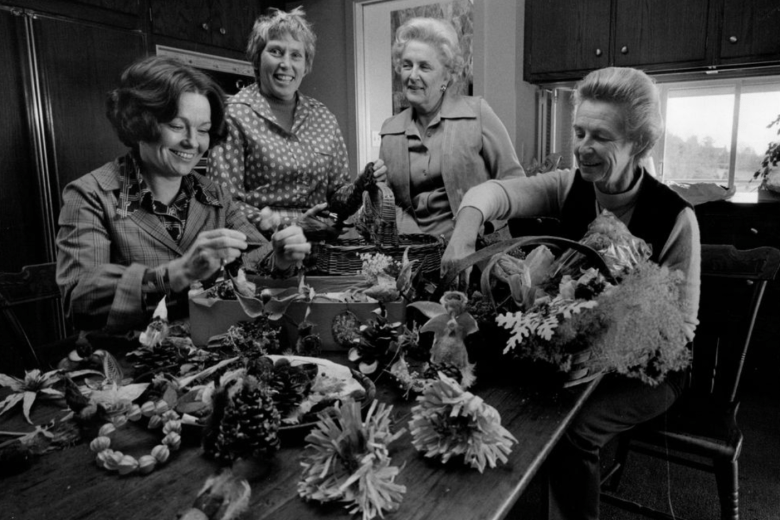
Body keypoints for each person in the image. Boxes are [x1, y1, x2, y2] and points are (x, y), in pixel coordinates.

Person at [441, 67, 701, 520]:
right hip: (575, 353)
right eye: (579, 131)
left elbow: (681, 328)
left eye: (600, 136)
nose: (582, 146)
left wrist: (607, 334)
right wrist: (464, 233)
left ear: (638, 143)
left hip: (652, 369)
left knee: (573, 430)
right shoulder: (569, 186)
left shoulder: (676, 218)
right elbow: (493, 192)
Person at [56, 56, 310, 333]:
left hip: (208, 348)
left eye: (203, 130)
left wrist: (279, 257)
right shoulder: (90, 194)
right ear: (138, 123)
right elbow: (80, 302)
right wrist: (176, 273)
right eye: (177, 126)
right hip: (125, 361)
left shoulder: (214, 195)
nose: (193, 141)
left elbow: (254, 259)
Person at [207, 7, 386, 240]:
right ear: (257, 58)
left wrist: (361, 183)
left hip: (322, 249)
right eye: (276, 52)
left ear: (306, 65)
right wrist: (291, 224)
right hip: (260, 247)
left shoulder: (323, 118)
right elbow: (222, 203)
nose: (286, 64)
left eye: (295, 55)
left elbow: (337, 200)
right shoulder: (234, 115)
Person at [378, 17, 525, 239]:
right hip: (416, 255)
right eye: (407, 65)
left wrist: (484, 227)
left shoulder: (477, 114)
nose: (412, 75)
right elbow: (387, 200)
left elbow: (514, 182)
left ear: (446, 76)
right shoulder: (390, 130)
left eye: (424, 67)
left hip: (479, 252)